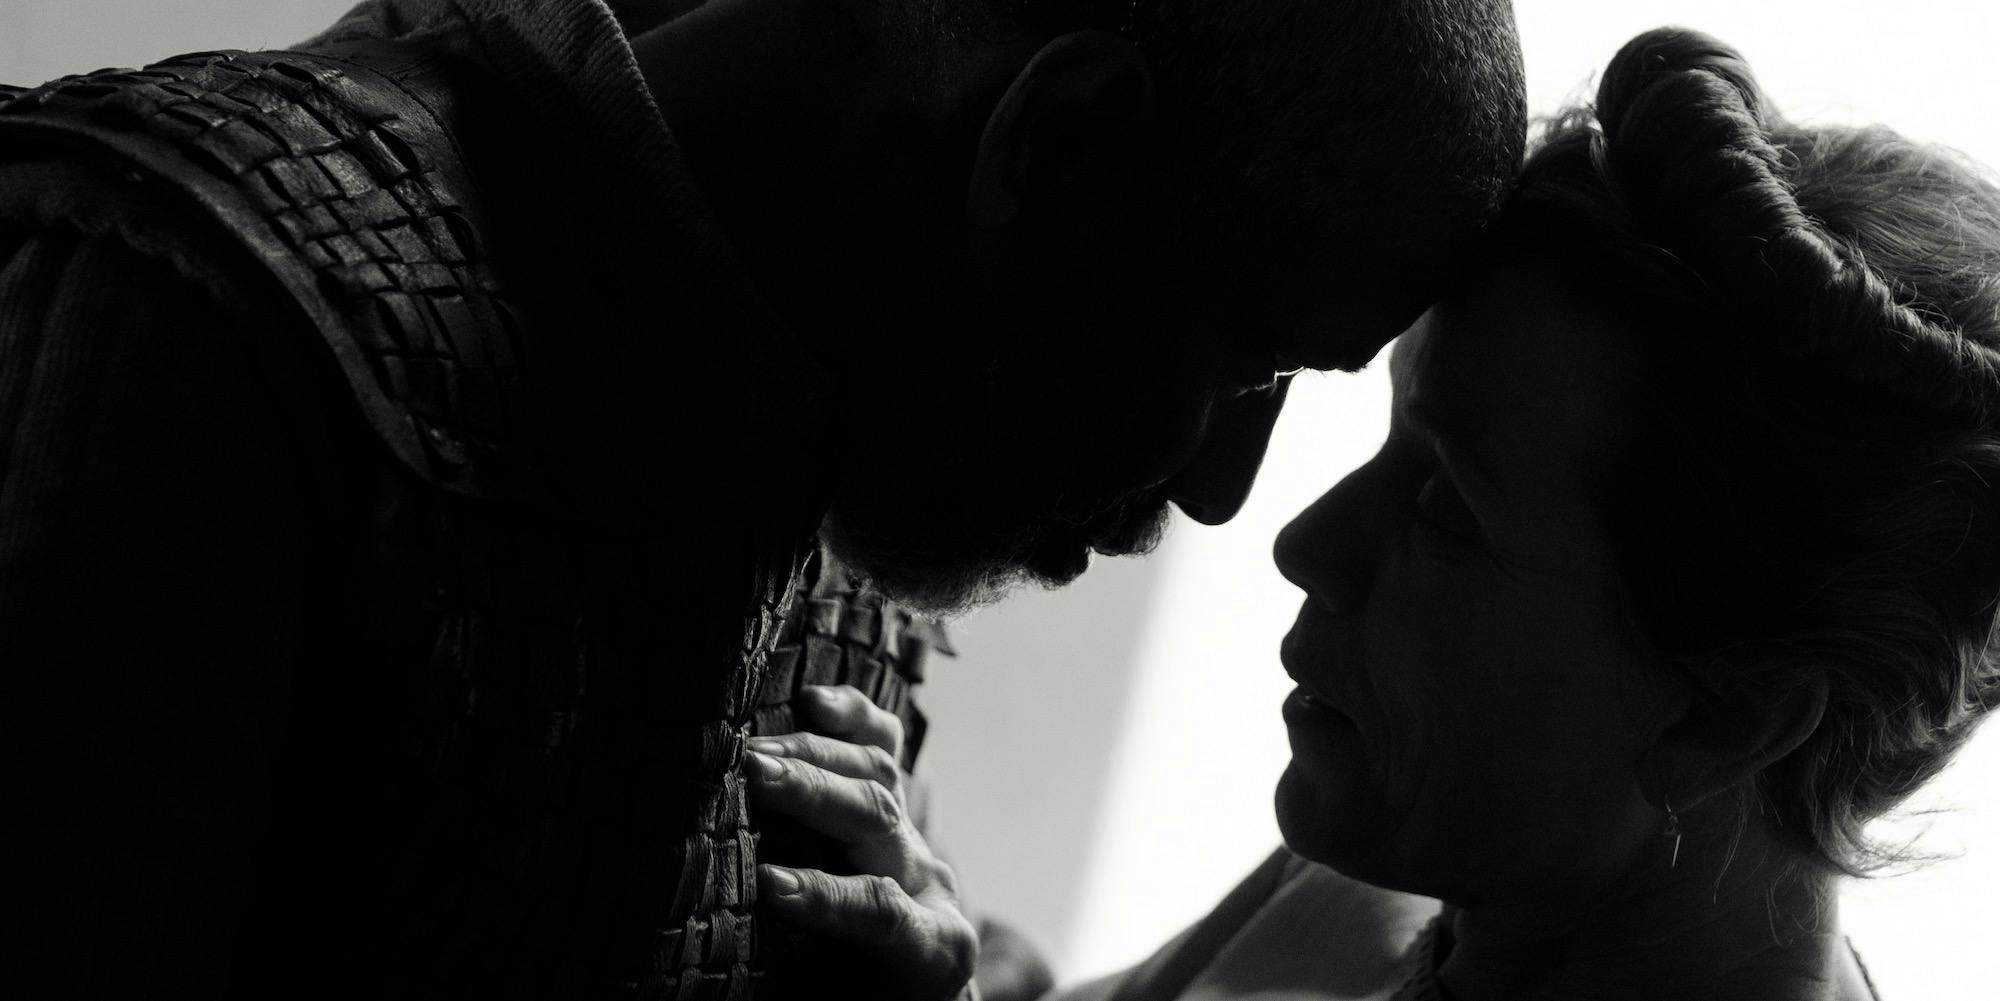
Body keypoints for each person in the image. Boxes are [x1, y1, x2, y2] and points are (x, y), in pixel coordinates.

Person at [0, 0, 1527, 996]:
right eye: (1242, 367)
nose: (1217, 493)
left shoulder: (825, 438)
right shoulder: (201, 331)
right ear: (1053, 147)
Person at [754, 27, 2000, 1000]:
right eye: (1388, 438)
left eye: (1447, 507)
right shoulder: (1363, 898)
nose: (1306, 544)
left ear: (1728, 714)